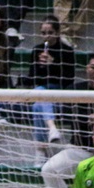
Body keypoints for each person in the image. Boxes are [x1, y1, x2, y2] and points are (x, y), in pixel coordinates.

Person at [41, 53, 94, 188]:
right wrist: (89, 117)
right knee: (48, 170)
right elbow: (67, 115)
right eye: (93, 67)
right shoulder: (75, 90)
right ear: (86, 69)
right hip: (80, 150)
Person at [23, 15, 76, 146]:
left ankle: (40, 148)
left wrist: (53, 63)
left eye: (50, 33)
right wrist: (39, 65)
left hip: (58, 93)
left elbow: (69, 79)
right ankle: (51, 129)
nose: (47, 36)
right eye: (43, 33)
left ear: (57, 33)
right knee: (39, 98)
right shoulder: (37, 50)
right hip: (40, 91)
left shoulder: (67, 51)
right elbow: (32, 78)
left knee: (38, 103)